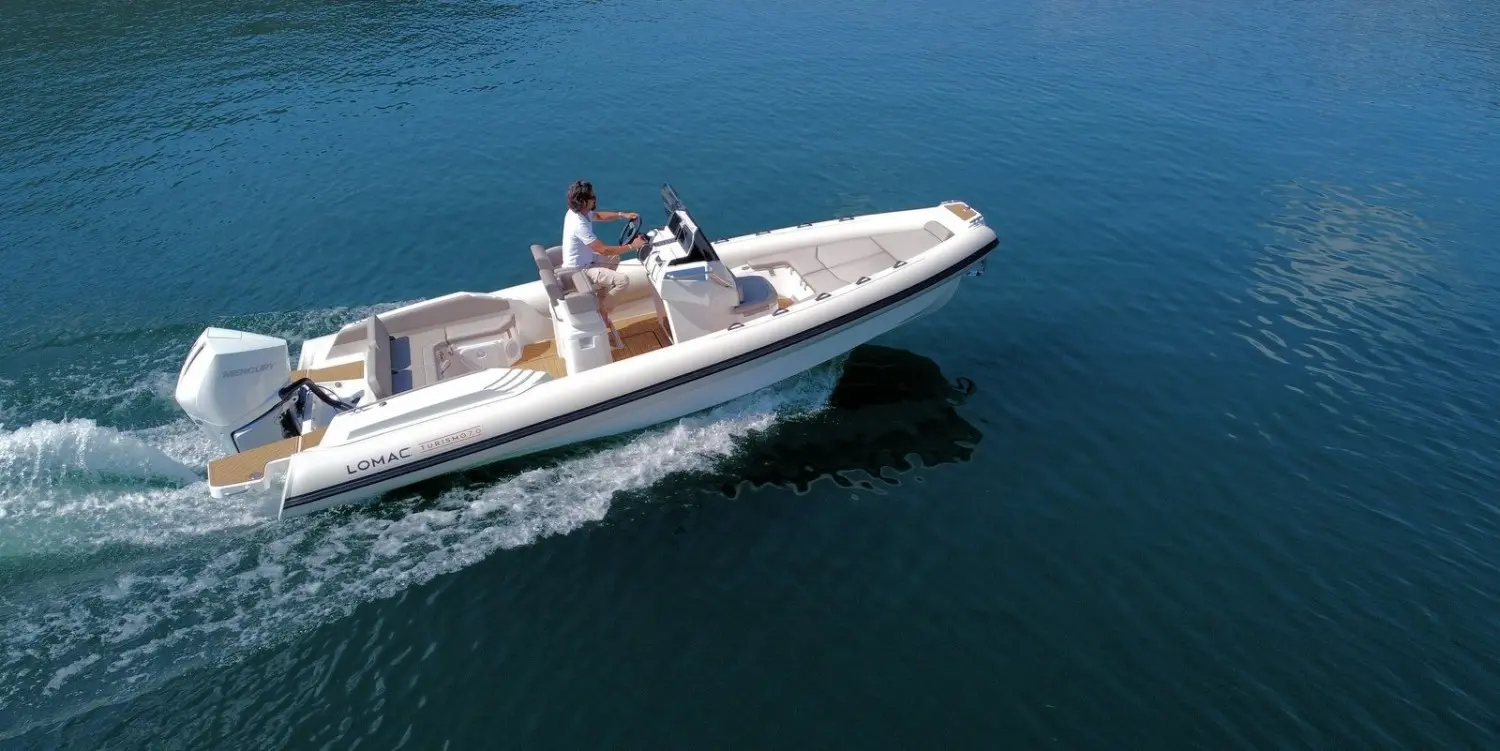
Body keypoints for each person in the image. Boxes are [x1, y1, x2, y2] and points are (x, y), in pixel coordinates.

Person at [561, 180, 645, 334]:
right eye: (592, 197)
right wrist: (632, 246)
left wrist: (622, 215)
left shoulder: (577, 212)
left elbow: (598, 216)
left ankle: (601, 299)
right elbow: (603, 249)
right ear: (583, 201)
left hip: (585, 260)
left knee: (615, 259)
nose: (595, 199)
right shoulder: (579, 224)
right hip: (580, 270)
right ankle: (603, 309)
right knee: (622, 281)